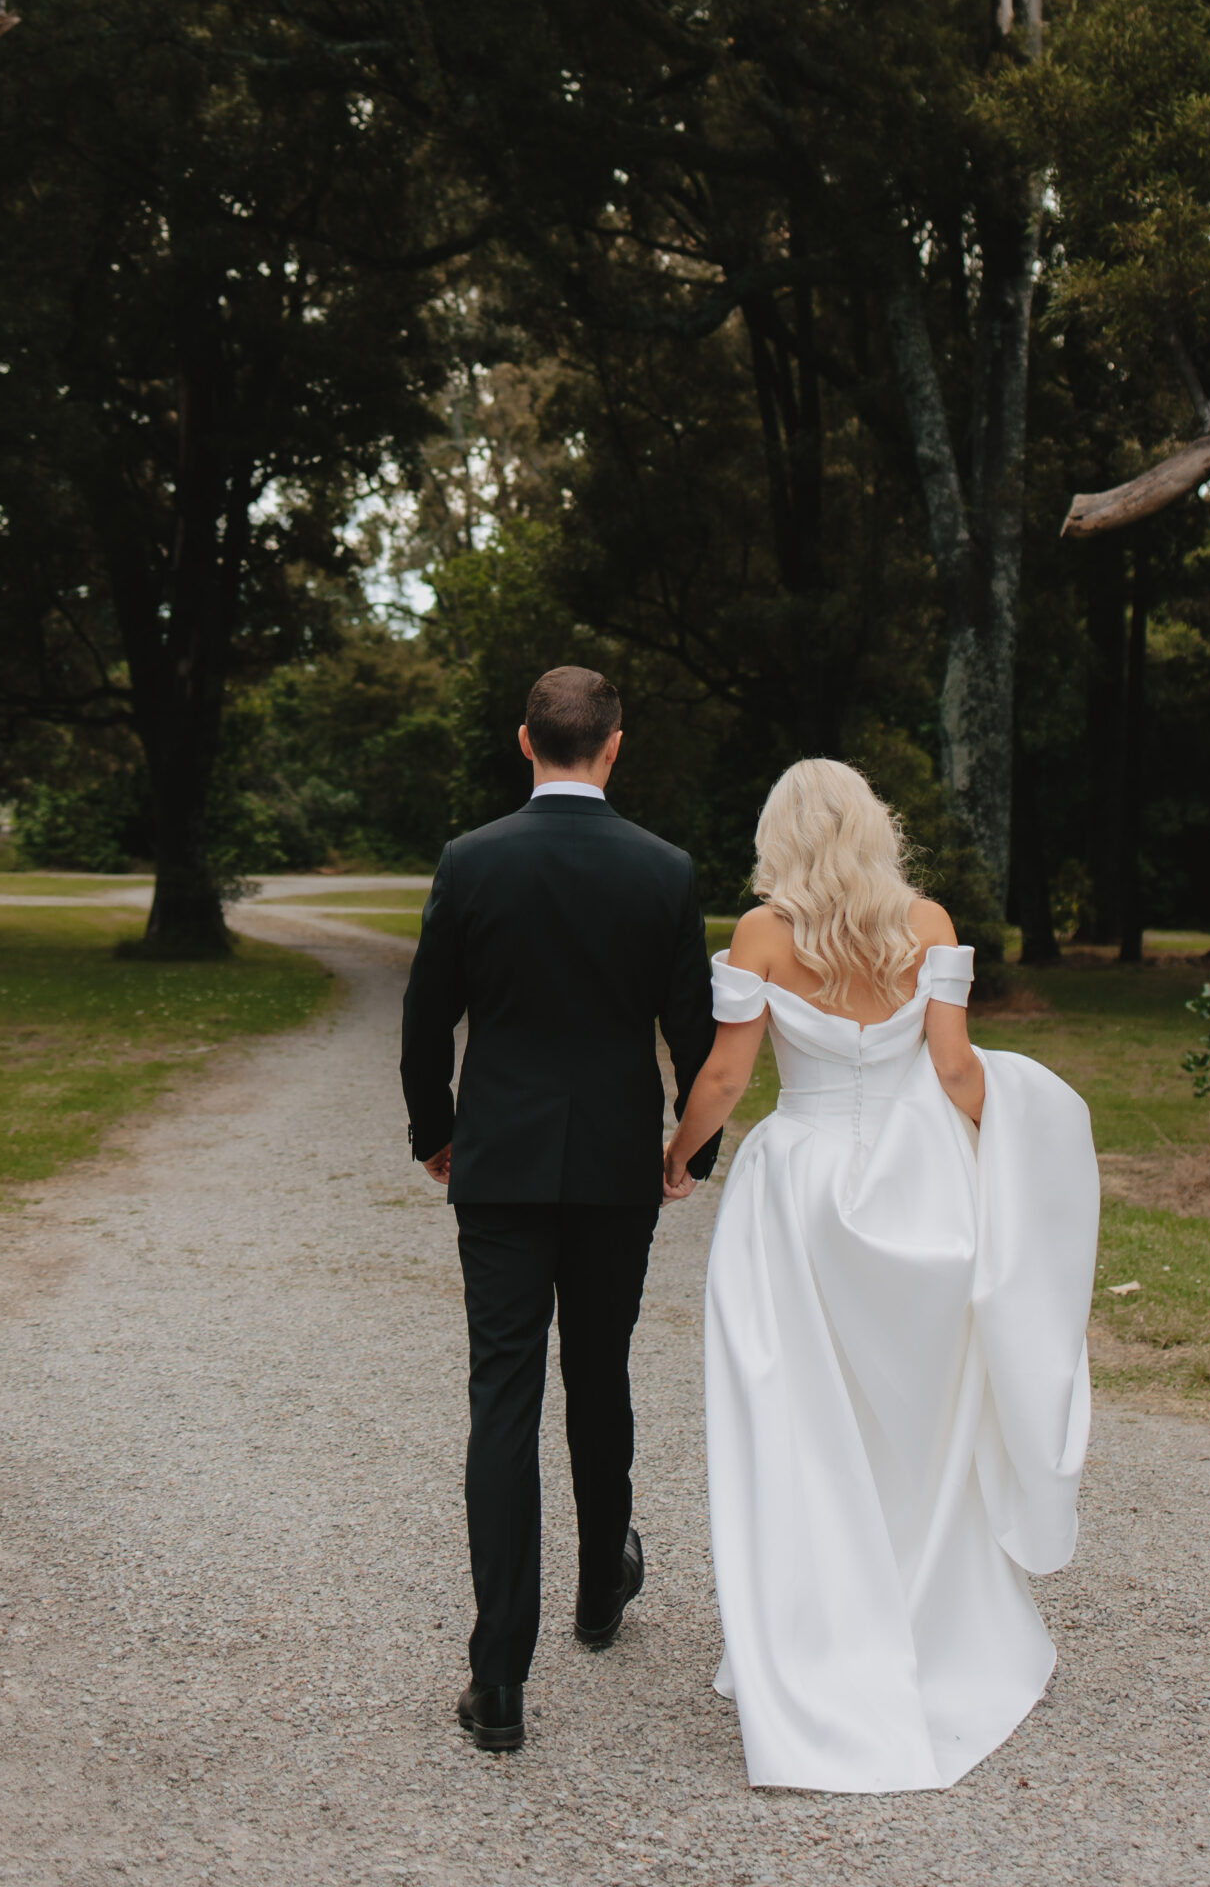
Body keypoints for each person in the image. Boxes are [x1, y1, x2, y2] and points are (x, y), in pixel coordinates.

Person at [663, 758, 1100, 1793]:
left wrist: (677, 1156)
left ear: (778, 835)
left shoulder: (763, 933)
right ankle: (923, 1618)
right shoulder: (927, 923)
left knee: (799, 1418)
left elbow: (726, 1073)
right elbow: (952, 1069)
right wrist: (1016, 1143)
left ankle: (813, 1631)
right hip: (918, 1191)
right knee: (918, 1421)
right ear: (875, 828)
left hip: (797, 1195)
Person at [400, 664, 720, 1755]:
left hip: (500, 1162)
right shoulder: (664, 869)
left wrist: (434, 1129)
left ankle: (498, 1681)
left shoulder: (473, 858)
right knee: (599, 1371)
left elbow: (425, 1017)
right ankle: (597, 1591)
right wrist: (691, 1148)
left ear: (525, 741)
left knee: (503, 1396)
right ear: (614, 745)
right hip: (615, 1168)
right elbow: (693, 1027)